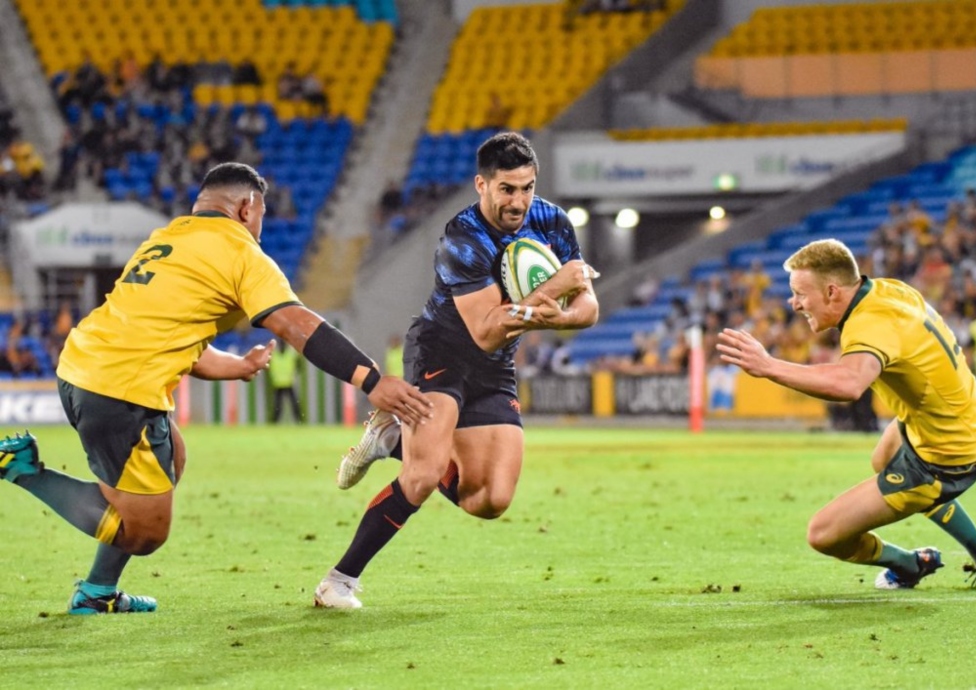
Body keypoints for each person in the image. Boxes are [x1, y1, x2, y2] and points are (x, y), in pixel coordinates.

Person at [0, 162, 432, 615]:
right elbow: (295, 323)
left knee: (173, 458)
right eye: (261, 214)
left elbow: (175, 338)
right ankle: (23, 469)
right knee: (144, 532)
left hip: (83, 367)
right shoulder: (239, 251)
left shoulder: (167, 239)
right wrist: (369, 379)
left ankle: (97, 592)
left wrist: (239, 366)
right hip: (119, 388)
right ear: (247, 207)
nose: (260, 225)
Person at [314, 132, 600, 609]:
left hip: (495, 366)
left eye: (527, 187)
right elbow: (485, 329)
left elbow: (588, 306)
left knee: (489, 500)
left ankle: (392, 439)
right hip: (441, 353)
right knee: (423, 475)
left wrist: (561, 317)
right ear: (481, 185)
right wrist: (552, 291)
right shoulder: (462, 238)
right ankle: (338, 581)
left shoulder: (552, 221)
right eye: (507, 189)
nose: (519, 201)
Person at [717, 238, 976, 590]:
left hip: (949, 453)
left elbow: (849, 384)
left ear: (832, 291)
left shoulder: (870, 322)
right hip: (968, 415)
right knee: (884, 458)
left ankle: (909, 565)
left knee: (823, 534)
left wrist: (769, 366)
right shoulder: (887, 290)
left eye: (800, 293)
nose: (794, 303)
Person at [268, 340, 302, 423]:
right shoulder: (290, 353)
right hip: (280, 383)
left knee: (288, 404)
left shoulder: (275, 355)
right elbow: (298, 365)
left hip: (286, 382)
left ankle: (275, 422)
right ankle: (298, 420)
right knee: (279, 405)